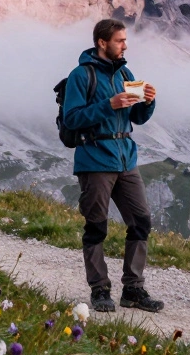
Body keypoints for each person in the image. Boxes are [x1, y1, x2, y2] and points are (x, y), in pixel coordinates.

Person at [61, 18, 163, 313]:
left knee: (141, 220)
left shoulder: (125, 73)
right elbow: (72, 118)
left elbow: (138, 119)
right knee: (96, 226)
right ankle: (99, 290)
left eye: (126, 40)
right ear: (102, 42)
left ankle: (133, 289)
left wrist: (148, 102)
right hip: (94, 159)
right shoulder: (81, 75)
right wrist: (109, 104)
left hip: (125, 158)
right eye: (120, 41)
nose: (125, 45)